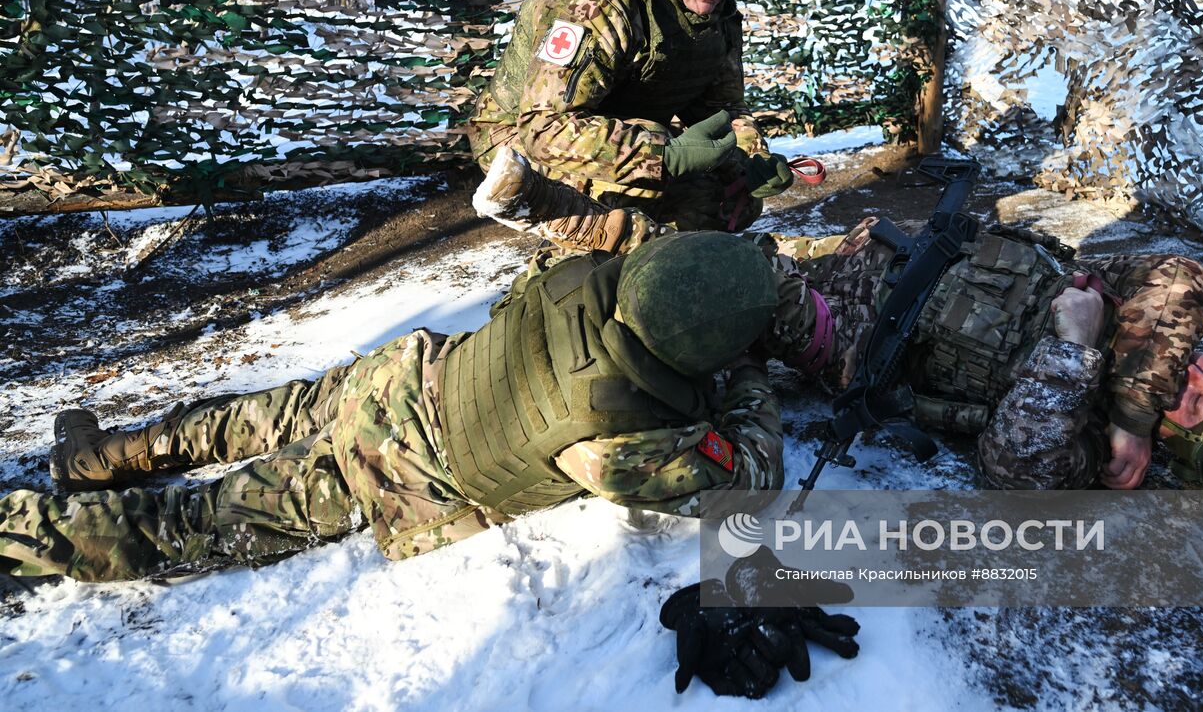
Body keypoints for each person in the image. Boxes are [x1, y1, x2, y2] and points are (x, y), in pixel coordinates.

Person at [474, 153, 1203, 491]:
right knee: (724, 239)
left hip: (850, 335)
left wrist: (1073, 348)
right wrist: (1136, 406)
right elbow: (1182, 275)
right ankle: (561, 232)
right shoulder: (1151, 342)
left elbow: (1014, 468)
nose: (1193, 372)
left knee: (711, 277)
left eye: (1197, 403)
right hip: (887, 253)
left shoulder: (1087, 436)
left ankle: (553, 218)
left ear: (1181, 450)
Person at [0, 233, 788, 582]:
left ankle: (93, 459)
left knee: (241, 419)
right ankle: (24, 535)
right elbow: (748, 481)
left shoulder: (583, 278)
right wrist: (751, 378)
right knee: (196, 526)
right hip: (391, 468)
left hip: (401, 375)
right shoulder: (620, 436)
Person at [465, 0, 795, 247]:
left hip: (614, 125)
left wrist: (752, 158)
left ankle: (658, 241)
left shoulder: (714, 12)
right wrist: (663, 155)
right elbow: (543, 127)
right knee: (636, 200)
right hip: (515, 139)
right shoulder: (597, 0)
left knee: (724, 194)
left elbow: (724, 108)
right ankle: (596, 243)